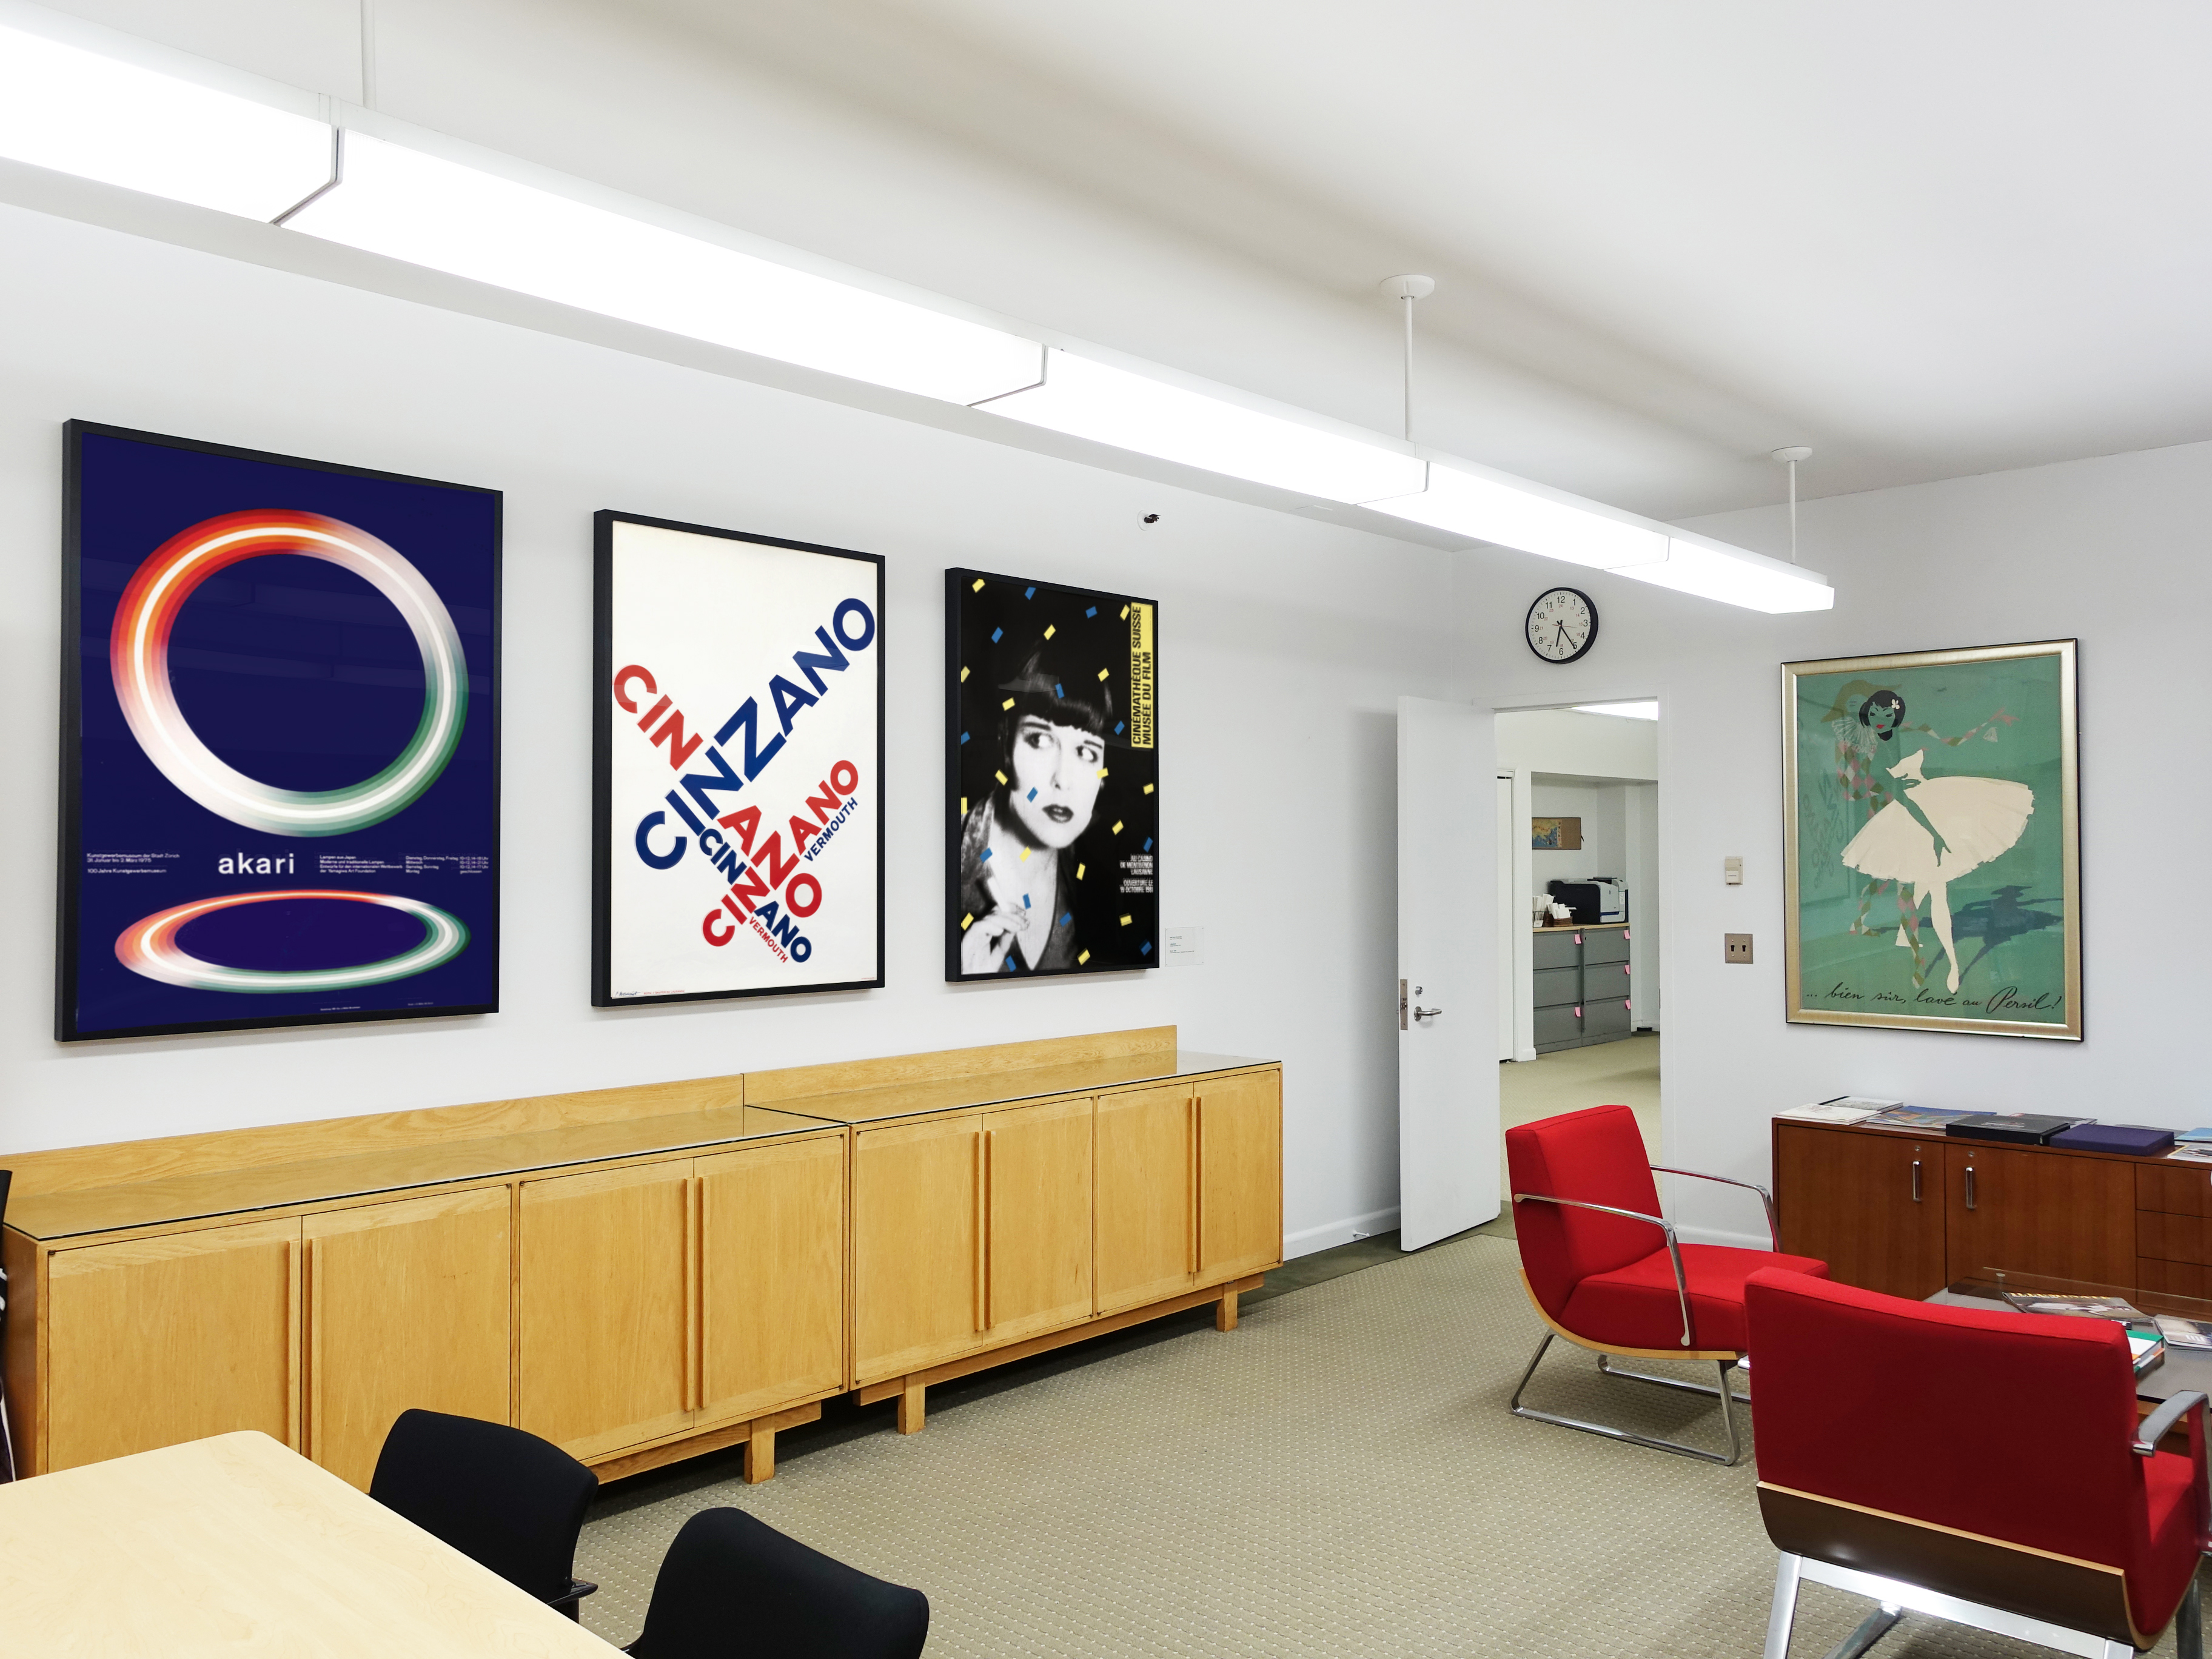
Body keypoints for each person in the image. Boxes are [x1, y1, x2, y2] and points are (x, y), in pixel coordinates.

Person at [1838, 692, 2034, 995]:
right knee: (1932, 885)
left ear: (1896, 717)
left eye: (1888, 715)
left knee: (1929, 884)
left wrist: (1986, 723)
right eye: (1875, 714)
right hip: (1912, 818)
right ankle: (1948, 963)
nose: (1880, 720)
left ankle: (1919, 947)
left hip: (1932, 805)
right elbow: (1859, 788)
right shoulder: (1873, 751)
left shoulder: (1907, 737)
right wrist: (1935, 834)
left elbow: (1952, 741)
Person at [957, 649, 1111, 974]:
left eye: (1086, 752)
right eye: (1040, 740)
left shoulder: (1094, 883)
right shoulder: (947, 857)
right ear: (1007, 747)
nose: (1063, 779)